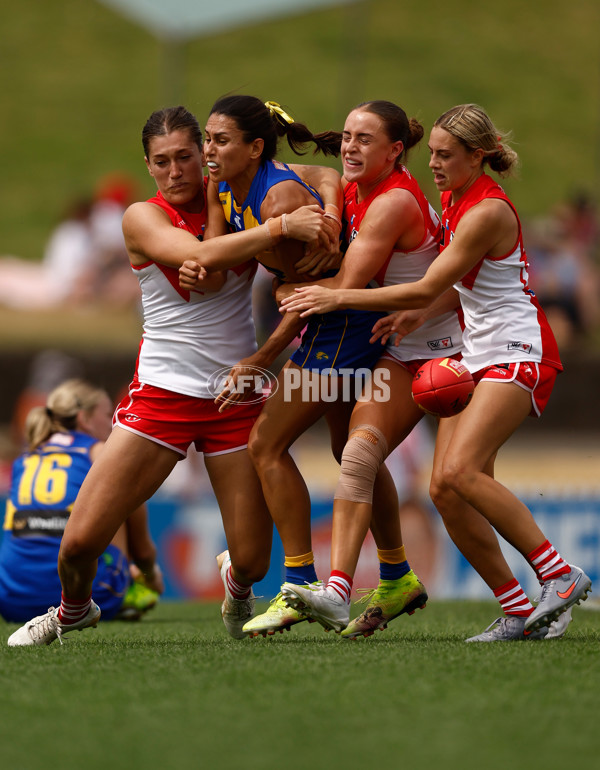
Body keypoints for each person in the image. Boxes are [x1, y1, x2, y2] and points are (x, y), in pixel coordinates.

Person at [6, 105, 335, 647]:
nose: (175, 170)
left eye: (187, 156)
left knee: (252, 563)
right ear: (148, 165)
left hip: (234, 396)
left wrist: (323, 218)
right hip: (162, 395)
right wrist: (279, 228)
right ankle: (73, 610)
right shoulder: (141, 217)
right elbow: (203, 258)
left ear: (204, 157)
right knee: (78, 545)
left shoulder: (236, 200)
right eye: (162, 161)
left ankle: (236, 581)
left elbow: (323, 178)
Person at [281, 103, 592, 641]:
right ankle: (517, 608)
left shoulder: (486, 212)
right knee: (446, 490)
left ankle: (559, 573)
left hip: (518, 349)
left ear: (479, 156)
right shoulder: (453, 199)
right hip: (478, 352)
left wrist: (335, 299)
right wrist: (419, 315)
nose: (436, 165)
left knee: (457, 473)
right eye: (434, 155)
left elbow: (429, 283)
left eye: (448, 156)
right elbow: (454, 286)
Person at [182, 98, 457, 639]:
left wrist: (262, 358)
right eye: (207, 140)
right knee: (343, 450)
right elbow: (321, 179)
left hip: (347, 327)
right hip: (347, 322)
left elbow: (321, 298)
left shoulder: (280, 197)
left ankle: (299, 582)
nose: (206, 152)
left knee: (266, 443)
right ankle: (397, 572)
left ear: (254, 148)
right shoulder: (235, 186)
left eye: (219, 141)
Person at [0, 379, 163, 625]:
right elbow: (141, 549)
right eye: (108, 413)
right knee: (120, 497)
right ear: (84, 419)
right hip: (91, 596)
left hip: (11, 599)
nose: (114, 420)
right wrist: (151, 574)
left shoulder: (26, 457)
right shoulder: (99, 452)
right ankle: (127, 584)